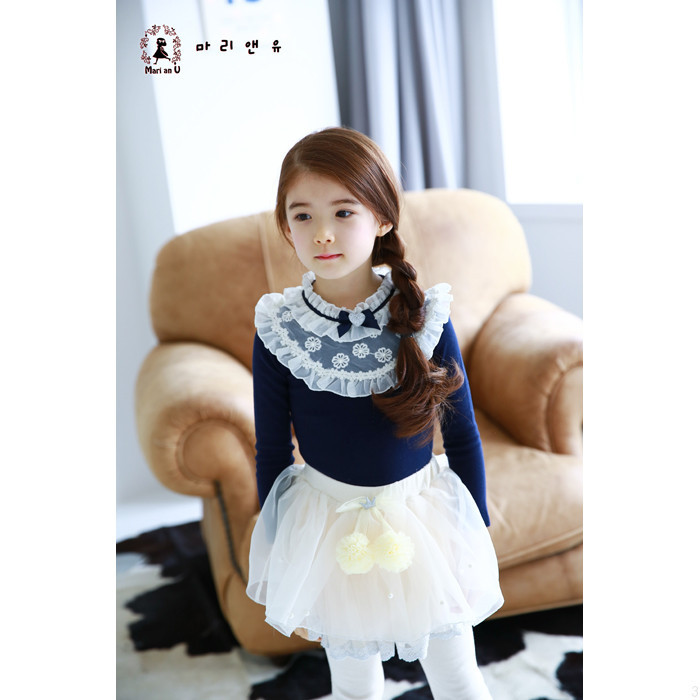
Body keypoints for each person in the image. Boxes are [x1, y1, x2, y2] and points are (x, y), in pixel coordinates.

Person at [246, 127, 503, 700]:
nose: (323, 232)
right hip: (327, 526)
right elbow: (272, 449)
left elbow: (462, 434)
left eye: (343, 211)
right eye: (303, 216)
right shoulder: (279, 330)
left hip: (425, 519)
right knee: (355, 687)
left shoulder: (424, 315)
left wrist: (473, 532)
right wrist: (284, 545)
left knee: (457, 676)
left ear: (382, 218)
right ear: (285, 226)